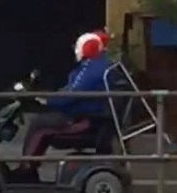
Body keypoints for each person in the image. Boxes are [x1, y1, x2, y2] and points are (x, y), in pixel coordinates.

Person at [13, 32, 111, 183]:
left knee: (39, 124)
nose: (75, 50)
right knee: (43, 121)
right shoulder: (96, 66)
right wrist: (47, 95)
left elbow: (71, 95)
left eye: (77, 47)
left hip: (84, 120)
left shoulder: (90, 69)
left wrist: (48, 101)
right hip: (87, 115)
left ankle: (26, 171)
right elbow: (70, 90)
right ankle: (29, 169)